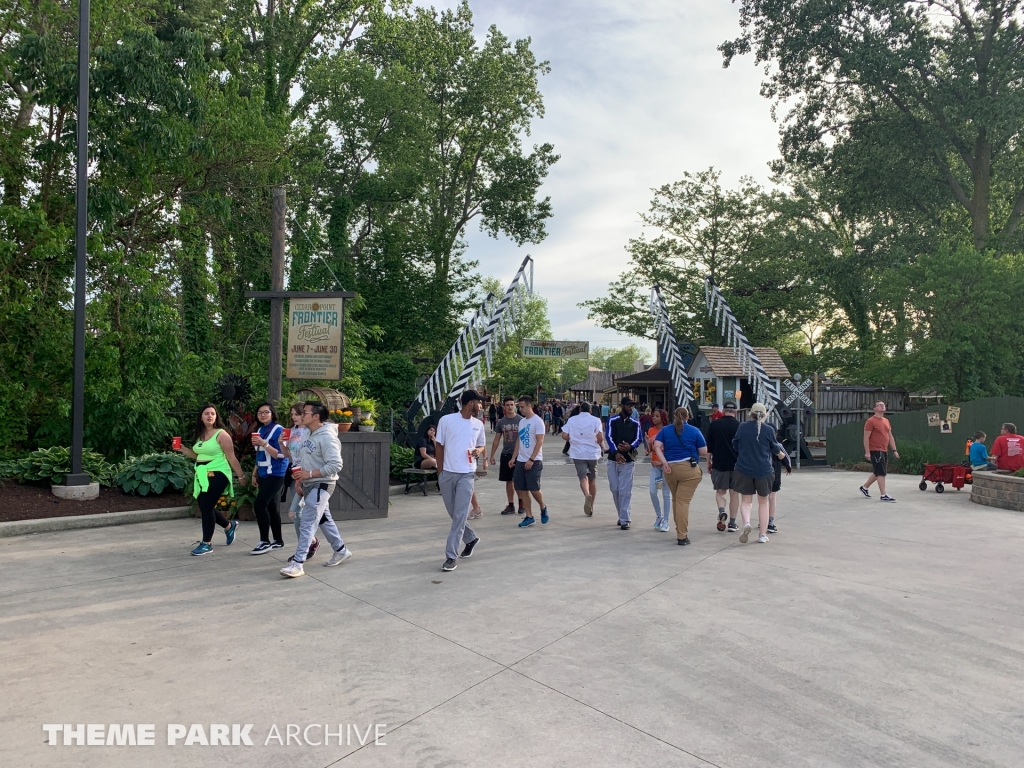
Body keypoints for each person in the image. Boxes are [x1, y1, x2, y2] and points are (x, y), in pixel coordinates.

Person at [279, 402, 352, 578]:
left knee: (307, 520)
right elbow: (303, 460)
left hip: (323, 484)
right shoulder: (307, 434)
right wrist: (300, 481)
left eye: (305, 413)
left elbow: (336, 465)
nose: (301, 415)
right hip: (309, 483)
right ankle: (341, 549)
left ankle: (298, 563)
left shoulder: (327, 437)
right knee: (324, 519)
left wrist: (309, 474)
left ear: (316, 416)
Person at [174, 404, 248, 556]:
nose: (210, 416)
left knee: (206, 506)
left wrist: (241, 476)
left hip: (218, 472)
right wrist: (184, 450)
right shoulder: (200, 435)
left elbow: (231, 457)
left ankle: (206, 543)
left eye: (212, 413)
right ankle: (229, 526)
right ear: (201, 416)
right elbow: (199, 456)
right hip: (202, 474)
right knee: (204, 506)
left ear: (216, 417)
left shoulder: (222, 434)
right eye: (206, 413)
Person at [435, 390, 486, 571]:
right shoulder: (446, 421)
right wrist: (440, 473)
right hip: (447, 474)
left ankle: (450, 556)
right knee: (454, 514)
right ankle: (471, 538)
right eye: (479, 402)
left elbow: (481, 444)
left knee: (459, 517)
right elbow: (439, 447)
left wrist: (479, 451)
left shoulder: (478, 424)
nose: (481, 406)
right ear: (470, 402)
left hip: (467, 474)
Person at [732, 403, 787, 544]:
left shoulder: (742, 427)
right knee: (763, 502)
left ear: (750, 414)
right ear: (764, 415)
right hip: (764, 470)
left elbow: (735, 444)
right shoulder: (768, 430)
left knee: (746, 501)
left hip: (743, 468)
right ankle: (762, 534)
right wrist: (781, 455)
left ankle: (746, 523)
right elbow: (774, 447)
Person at [652, 407, 706, 545]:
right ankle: (682, 535)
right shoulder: (694, 431)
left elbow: (656, 446)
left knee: (676, 500)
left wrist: (664, 462)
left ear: (674, 416)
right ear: (688, 417)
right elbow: (703, 451)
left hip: (670, 468)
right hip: (688, 468)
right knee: (683, 502)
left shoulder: (665, 430)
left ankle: (679, 529)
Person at [279, 403, 318, 561]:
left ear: (304, 415)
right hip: (294, 472)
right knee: (301, 513)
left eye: (297, 414)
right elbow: (288, 455)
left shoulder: (309, 432)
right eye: (292, 414)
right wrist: (281, 443)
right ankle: (311, 542)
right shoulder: (293, 430)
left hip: (307, 474)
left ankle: (307, 545)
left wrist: (304, 476)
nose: (294, 417)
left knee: (295, 512)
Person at [249, 402, 287, 555]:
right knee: (271, 507)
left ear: (272, 414)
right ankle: (278, 541)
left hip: (276, 473)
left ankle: (264, 541)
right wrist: (254, 472)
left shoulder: (279, 430)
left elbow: (281, 455)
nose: (263, 415)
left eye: (266, 412)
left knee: (260, 504)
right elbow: (259, 454)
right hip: (264, 472)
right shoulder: (260, 430)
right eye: (260, 412)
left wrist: (264, 443)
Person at [605, 397, 643, 530]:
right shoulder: (612, 420)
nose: (630, 407)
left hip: (628, 460)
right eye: (628, 405)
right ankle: (621, 514)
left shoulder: (635, 423)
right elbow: (608, 437)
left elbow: (639, 438)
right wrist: (616, 451)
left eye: (632, 405)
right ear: (621, 405)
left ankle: (624, 519)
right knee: (615, 488)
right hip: (612, 459)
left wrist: (630, 447)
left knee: (625, 490)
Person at [511, 395, 548, 528]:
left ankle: (543, 507)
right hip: (521, 459)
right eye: (518, 407)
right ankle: (529, 516)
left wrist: (531, 459)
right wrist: (514, 457)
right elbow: (519, 441)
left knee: (534, 488)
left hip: (534, 460)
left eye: (521, 407)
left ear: (529, 406)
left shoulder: (538, 421)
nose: (520, 409)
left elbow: (540, 442)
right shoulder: (522, 422)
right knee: (521, 488)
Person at [562, 401, 604, 516]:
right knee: (592, 479)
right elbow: (600, 437)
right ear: (590, 410)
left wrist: (574, 438)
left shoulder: (572, 420)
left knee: (583, 478)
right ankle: (591, 506)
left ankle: (586, 495)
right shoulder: (596, 420)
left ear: (580, 410)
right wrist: (598, 443)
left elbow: (564, 435)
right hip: (592, 453)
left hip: (578, 453)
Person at [706, 401, 741, 533]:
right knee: (734, 494)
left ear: (723, 410)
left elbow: (709, 445)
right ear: (735, 412)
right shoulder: (739, 426)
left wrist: (709, 462)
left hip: (719, 464)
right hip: (737, 465)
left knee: (721, 492)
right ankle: (732, 523)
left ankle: (721, 512)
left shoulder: (715, 424)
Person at [859, 401, 900, 502]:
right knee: (881, 472)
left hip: (884, 449)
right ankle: (883, 495)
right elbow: (866, 437)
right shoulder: (871, 421)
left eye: (883, 405)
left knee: (878, 471)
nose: (882, 406)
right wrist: (867, 452)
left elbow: (890, 436)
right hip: (875, 450)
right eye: (879, 405)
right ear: (874, 408)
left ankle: (864, 488)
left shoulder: (886, 421)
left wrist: (894, 450)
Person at [489, 397, 523, 514]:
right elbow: (497, 439)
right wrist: (492, 455)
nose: (510, 407)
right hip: (506, 454)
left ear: (515, 406)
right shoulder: (501, 422)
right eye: (507, 405)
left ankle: (521, 503)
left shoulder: (521, 420)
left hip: (519, 455)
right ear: (504, 406)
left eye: (511, 405)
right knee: (508, 481)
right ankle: (511, 505)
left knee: (517, 480)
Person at [645, 409, 672, 532]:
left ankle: (666, 520)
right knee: (652, 491)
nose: (654, 418)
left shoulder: (669, 431)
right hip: (654, 466)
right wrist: (648, 444)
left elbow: (671, 451)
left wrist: (661, 462)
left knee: (666, 494)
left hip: (666, 465)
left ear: (663, 417)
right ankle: (659, 515)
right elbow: (650, 450)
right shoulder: (651, 430)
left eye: (657, 416)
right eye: (653, 416)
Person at [768, 446, 793, 534]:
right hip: (775, 474)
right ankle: (770, 523)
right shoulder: (777, 445)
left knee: (762, 499)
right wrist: (788, 467)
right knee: (772, 497)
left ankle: (762, 520)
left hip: (761, 474)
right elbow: (785, 457)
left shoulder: (760, 442)